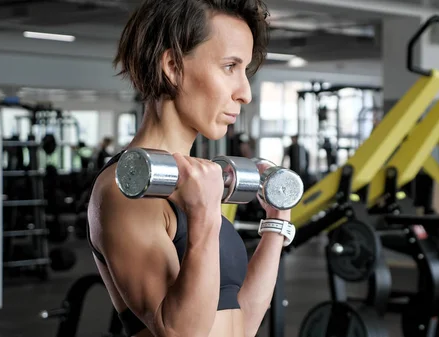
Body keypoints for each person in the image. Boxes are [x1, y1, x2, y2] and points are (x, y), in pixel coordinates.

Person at [86, 1, 293, 337]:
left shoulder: (196, 186)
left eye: (245, 71)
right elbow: (180, 333)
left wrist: (276, 223)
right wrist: (204, 219)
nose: (245, 93)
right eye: (230, 67)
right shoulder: (127, 190)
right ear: (173, 66)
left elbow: (243, 322)